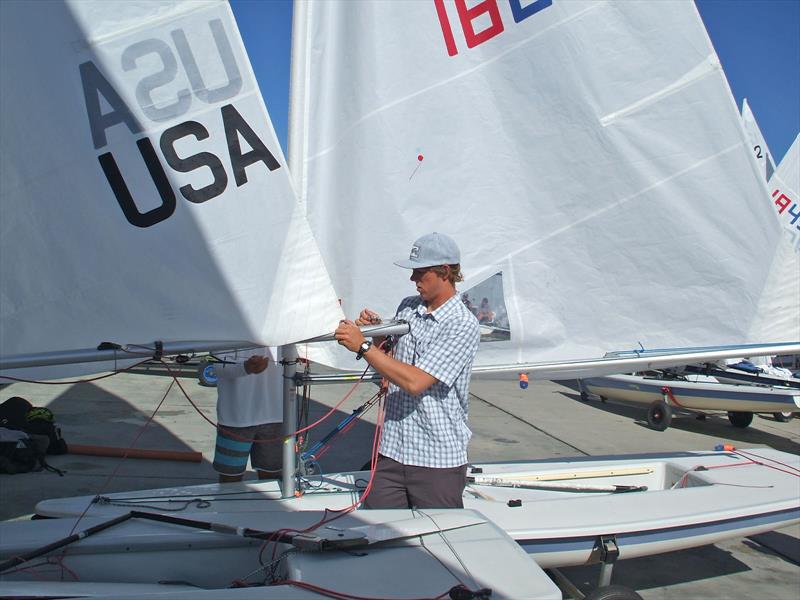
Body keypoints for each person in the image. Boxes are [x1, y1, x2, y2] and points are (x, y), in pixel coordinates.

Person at [334, 232, 480, 509]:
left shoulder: (461, 324)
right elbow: (390, 368)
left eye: (420, 272)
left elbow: (415, 382)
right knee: (377, 526)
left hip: (436, 459)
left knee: (438, 533)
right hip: (393, 450)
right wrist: (377, 334)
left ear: (444, 271)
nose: (413, 279)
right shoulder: (409, 307)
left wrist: (362, 346)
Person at [212, 347, 283, 483]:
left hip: (276, 415)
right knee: (230, 479)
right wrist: (245, 368)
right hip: (235, 418)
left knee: (273, 479)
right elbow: (217, 367)